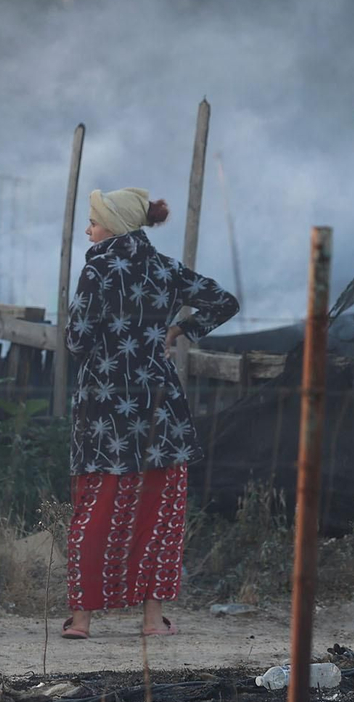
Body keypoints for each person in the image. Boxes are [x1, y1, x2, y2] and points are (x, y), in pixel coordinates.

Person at [59, 187, 238, 640]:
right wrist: (176, 330)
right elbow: (224, 301)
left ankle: (81, 620)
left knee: (95, 510)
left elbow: (77, 339)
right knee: (157, 514)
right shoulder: (165, 268)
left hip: (104, 411)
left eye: (93, 221)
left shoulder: (97, 269)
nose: (88, 229)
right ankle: (153, 620)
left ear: (114, 226)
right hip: (160, 409)